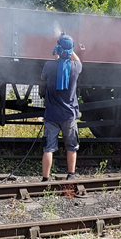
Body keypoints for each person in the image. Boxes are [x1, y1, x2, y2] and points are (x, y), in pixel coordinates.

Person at [39, 33, 82, 182]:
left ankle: (45, 178)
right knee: (71, 146)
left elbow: (42, 78)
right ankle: (71, 175)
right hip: (69, 115)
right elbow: (77, 60)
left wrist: (58, 53)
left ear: (58, 48)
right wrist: (68, 48)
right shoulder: (76, 67)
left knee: (48, 148)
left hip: (51, 115)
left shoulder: (49, 66)